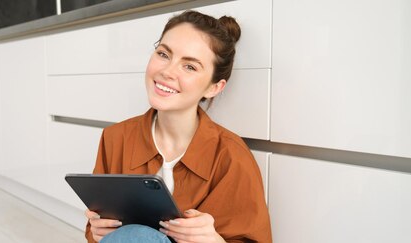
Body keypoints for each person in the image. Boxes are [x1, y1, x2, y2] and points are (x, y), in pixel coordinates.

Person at [84, 10, 272, 243]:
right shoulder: (115, 138)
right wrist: (97, 230)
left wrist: (214, 241)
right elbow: (97, 227)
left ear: (214, 87)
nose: (167, 71)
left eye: (190, 67)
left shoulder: (232, 157)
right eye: (163, 54)